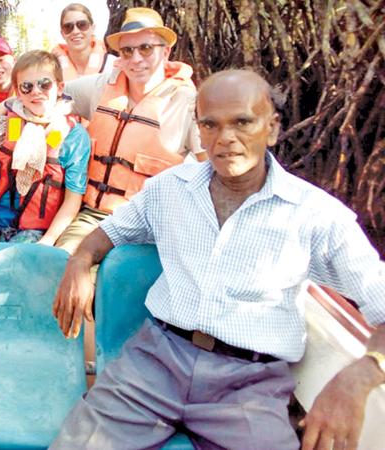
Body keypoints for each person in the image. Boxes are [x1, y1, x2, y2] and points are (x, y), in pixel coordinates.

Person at [49, 69, 385, 450]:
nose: (226, 138)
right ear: (199, 130)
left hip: (248, 386)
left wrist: (362, 373)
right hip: (155, 362)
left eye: (243, 122)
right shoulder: (169, 190)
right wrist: (80, 261)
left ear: (272, 129)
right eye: (210, 125)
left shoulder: (316, 214)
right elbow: (111, 231)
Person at [0, 7, 205, 254]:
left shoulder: (188, 103)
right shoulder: (101, 87)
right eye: (127, 50)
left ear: (165, 51)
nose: (136, 59)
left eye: (146, 48)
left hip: (152, 222)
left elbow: (212, 171)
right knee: (62, 264)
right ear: (120, 56)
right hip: (93, 215)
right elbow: (26, 98)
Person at [0, 50, 91, 247]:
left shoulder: (74, 137)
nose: (36, 91)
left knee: (18, 267)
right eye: (27, 86)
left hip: (32, 231)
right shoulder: (3, 122)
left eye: (44, 84)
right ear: (18, 91)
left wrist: (48, 241)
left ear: (59, 88)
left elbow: (72, 200)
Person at [51, 3, 116, 81]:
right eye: (68, 27)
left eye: (82, 25)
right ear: (62, 34)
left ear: (92, 28)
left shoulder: (112, 65)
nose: (75, 31)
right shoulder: (51, 69)